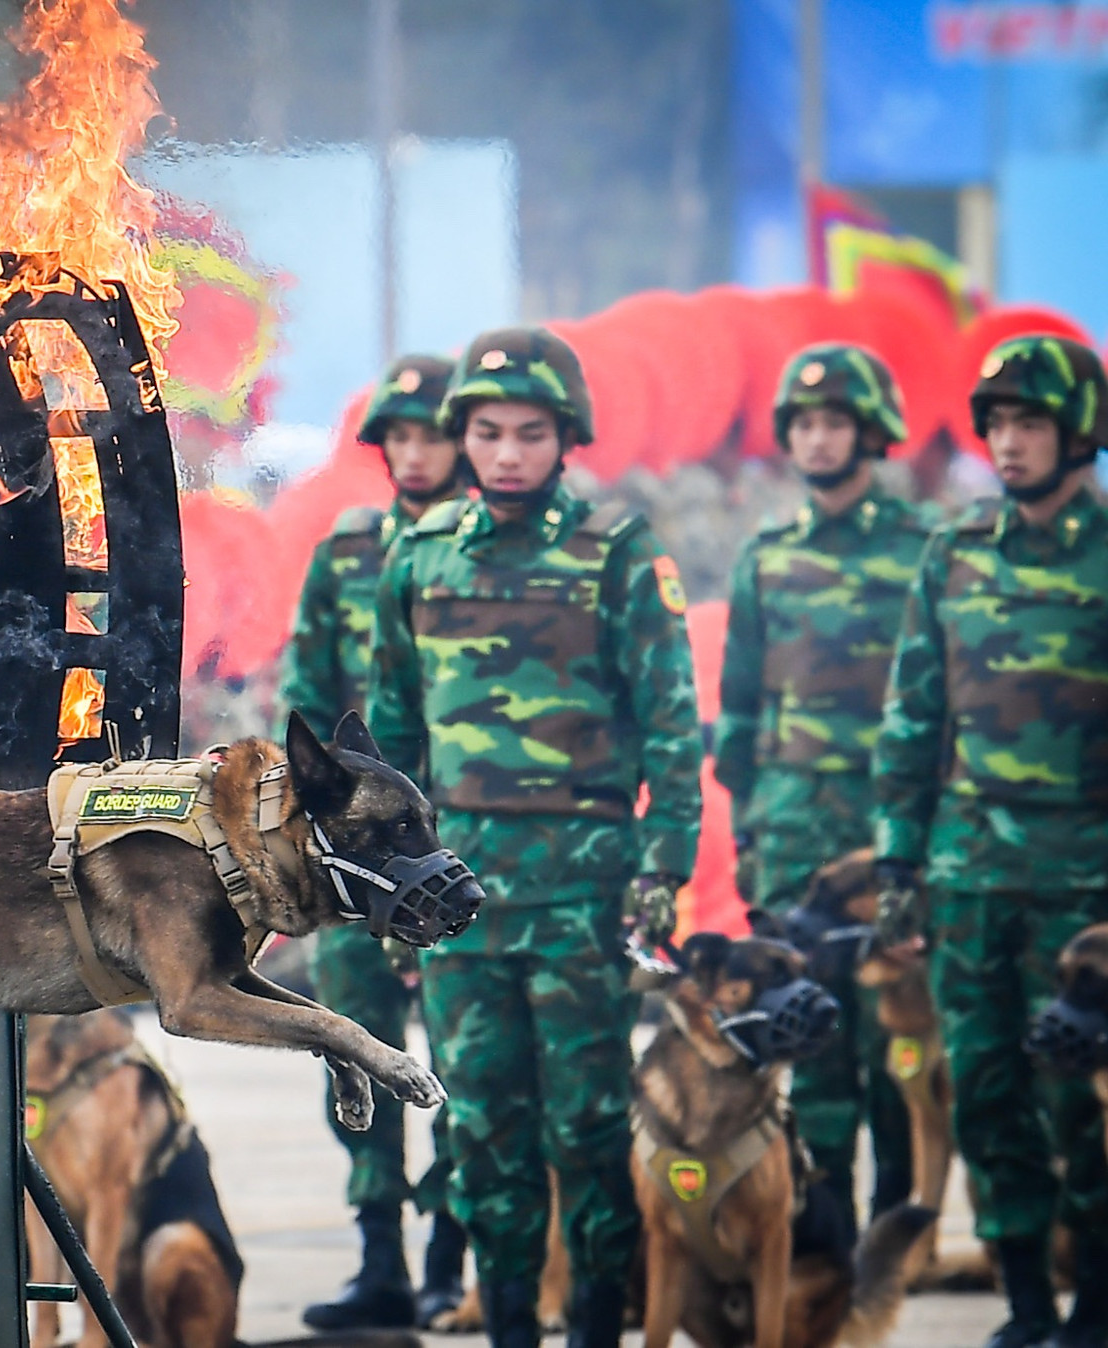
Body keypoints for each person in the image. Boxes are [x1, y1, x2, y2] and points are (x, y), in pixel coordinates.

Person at [369, 327, 703, 1348]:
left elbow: (671, 727)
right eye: (485, 431)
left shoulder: (616, 551)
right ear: (459, 437)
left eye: (527, 432)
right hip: (459, 897)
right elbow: (391, 739)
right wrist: (384, 885)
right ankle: (511, 1324)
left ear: (566, 437)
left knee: (589, 1130)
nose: (505, 452)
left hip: (583, 895)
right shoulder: (416, 558)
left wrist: (661, 873)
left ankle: (596, 1324)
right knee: (484, 1130)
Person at [872, 333, 1108, 1348]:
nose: (1007, 444)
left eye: (1030, 424)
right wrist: (897, 860)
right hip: (967, 872)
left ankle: (1092, 1303)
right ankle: (1021, 1303)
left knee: (1081, 1105)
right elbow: (911, 714)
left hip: (1082, 886)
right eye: (997, 425)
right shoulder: (954, 550)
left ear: (1078, 434)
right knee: (986, 1091)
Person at [713, 343, 922, 1244]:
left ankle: (900, 1226)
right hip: (796, 833)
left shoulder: (925, 552)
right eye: (803, 422)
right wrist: (755, 829)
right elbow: (742, 705)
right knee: (816, 1035)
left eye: (836, 420)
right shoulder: (769, 556)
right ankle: (828, 1230)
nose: (819, 436)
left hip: (891, 832)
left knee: (898, 1042)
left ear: (868, 432)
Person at [281, 354, 470, 1331]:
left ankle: (448, 1252)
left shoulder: (478, 554)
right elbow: (306, 702)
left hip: (446, 847)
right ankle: (379, 1261)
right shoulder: (346, 549)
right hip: (354, 860)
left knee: (461, 1054)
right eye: (395, 435)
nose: (411, 451)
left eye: (428, 433)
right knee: (355, 1047)